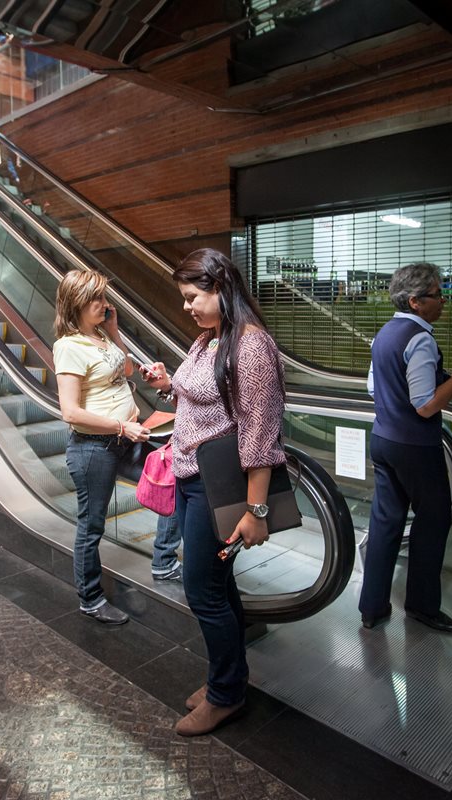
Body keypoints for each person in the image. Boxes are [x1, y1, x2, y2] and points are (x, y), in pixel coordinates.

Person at [142, 248, 285, 737]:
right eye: (183, 298)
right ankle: (230, 677)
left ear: (222, 287)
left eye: (192, 296)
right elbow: (204, 397)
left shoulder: (251, 346)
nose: (186, 307)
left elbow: (260, 433)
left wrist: (256, 509)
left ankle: (227, 694)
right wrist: (169, 384)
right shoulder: (210, 340)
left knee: (202, 591)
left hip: (216, 489)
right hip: (188, 477)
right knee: (219, 586)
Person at [53, 271, 182, 626]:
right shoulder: (68, 346)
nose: (105, 305)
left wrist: (113, 332)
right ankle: (91, 599)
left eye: (104, 297)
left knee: (176, 484)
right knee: (91, 526)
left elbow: (123, 370)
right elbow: (71, 412)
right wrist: (121, 425)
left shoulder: (99, 337)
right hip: (94, 449)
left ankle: (164, 560)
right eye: (96, 298)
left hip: (127, 440)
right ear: (75, 302)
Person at [358, 263, 452, 634]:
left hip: (383, 439)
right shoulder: (420, 339)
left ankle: (372, 606)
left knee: (386, 522)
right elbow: (425, 404)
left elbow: (374, 389)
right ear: (415, 301)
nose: (443, 301)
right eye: (438, 295)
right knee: (434, 520)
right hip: (415, 446)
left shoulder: (384, 334)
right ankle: (423, 606)